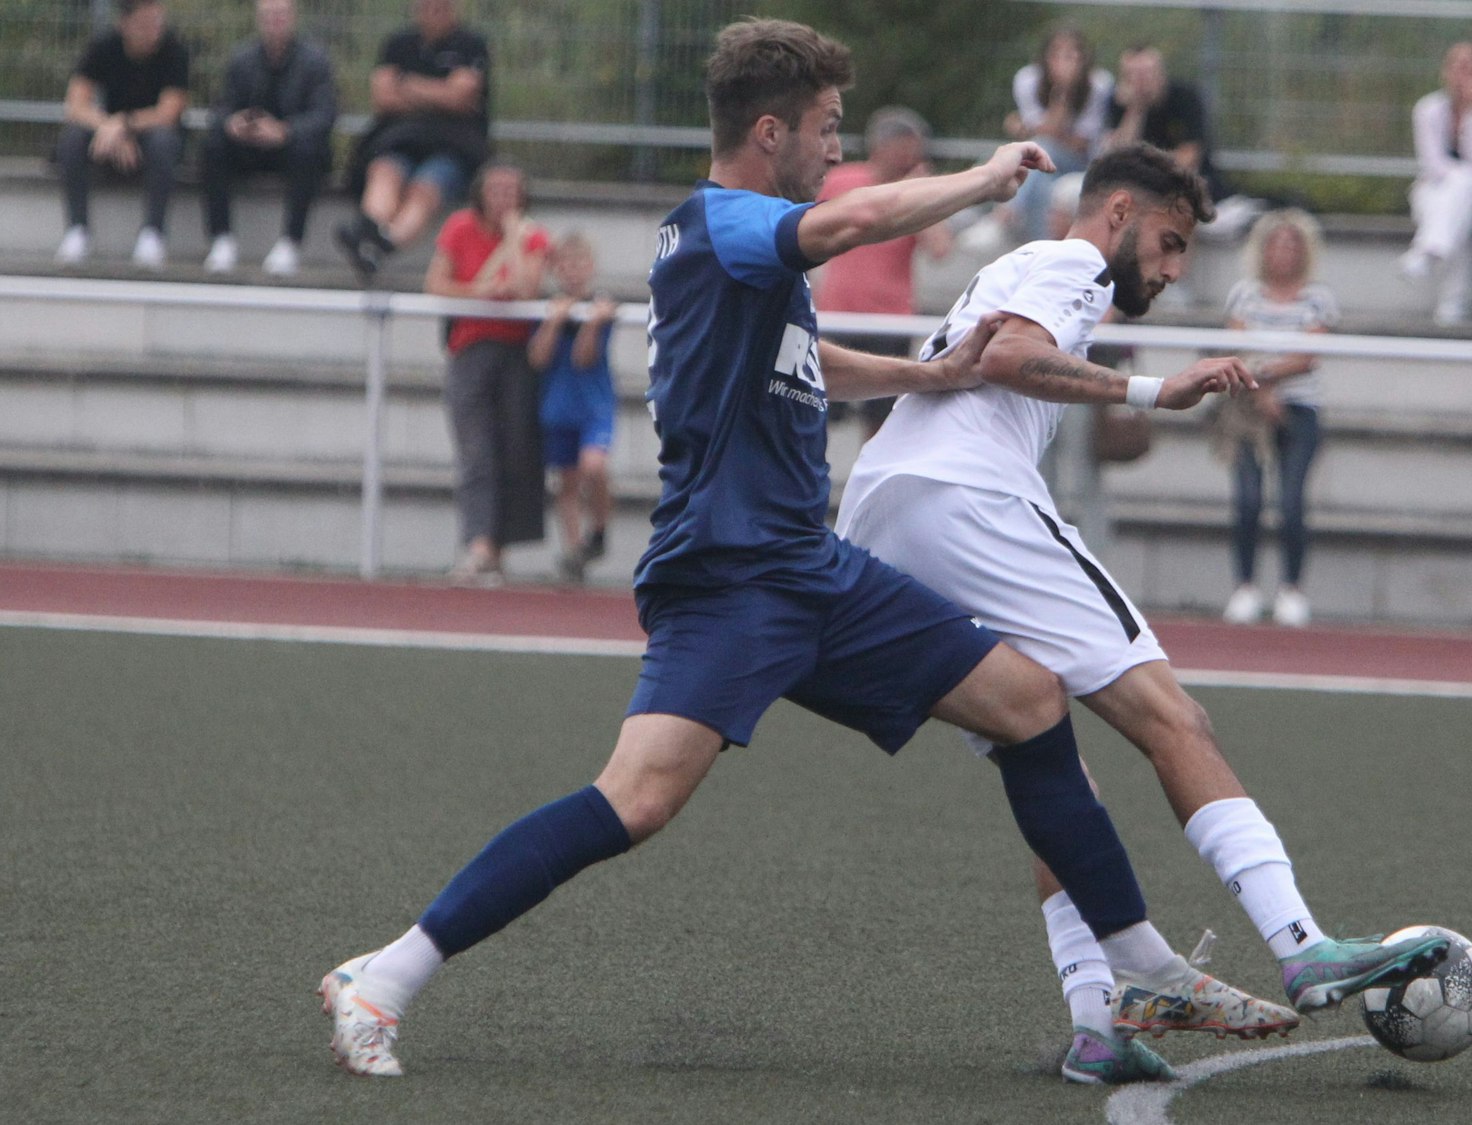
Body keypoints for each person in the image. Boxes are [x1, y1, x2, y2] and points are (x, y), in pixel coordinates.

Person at [319, 19, 1275, 1088]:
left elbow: (803, 357)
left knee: (1030, 702)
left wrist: (927, 378)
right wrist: (983, 179)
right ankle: (386, 975)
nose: (836, 149)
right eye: (825, 129)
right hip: (731, 575)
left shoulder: (741, 251)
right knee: (633, 802)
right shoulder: (725, 220)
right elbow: (854, 218)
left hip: (808, 569)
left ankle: (1137, 966)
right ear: (767, 132)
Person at [836, 147, 1448, 1045]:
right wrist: (1157, 390)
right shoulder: (1075, 260)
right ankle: (1301, 942)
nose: (1166, 271)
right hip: (968, 499)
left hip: (881, 514)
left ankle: (1097, 1010)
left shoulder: (1010, 267)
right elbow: (1011, 355)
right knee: (1174, 719)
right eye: (1166, 245)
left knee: (1044, 760)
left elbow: (1005, 352)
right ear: (1117, 213)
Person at [423, 162, 550, 586]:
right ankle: (478, 543)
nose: (503, 199)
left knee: (514, 449)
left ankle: (497, 548)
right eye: (496, 190)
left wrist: (513, 236)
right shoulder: (460, 228)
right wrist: (479, 292)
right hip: (471, 349)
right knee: (476, 449)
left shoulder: (532, 236)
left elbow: (525, 289)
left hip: (516, 352)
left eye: (512, 191)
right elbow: (436, 283)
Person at [1217, 210, 1338, 628]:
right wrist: (1260, 390)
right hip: (1249, 410)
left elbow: (1308, 357)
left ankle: (1291, 589)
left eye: (1292, 244)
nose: (1284, 252)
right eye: (1276, 243)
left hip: (1300, 409)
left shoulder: (1317, 298)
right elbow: (1236, 347)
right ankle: (1245, 586)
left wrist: (1265, 376)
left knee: (1291, 502)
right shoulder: (1245, 294)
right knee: (1247, 500)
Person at [814, 106, 954, 441]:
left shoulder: (914, 194)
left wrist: (922, 194)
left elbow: (940, 249)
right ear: (883, 146)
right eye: (907, 147)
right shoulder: (842, 181)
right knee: (814, 409)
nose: (914, 155)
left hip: (890, 319)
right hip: (838, 315)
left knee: (880, 418)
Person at [337, 0, 491, 281]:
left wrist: (407, 85)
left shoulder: (471, 44)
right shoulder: (398, 43)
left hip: (453, 144)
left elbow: (460, 96)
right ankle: (370, 231)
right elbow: (383, 96)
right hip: (401, 138)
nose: (433, 9)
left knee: (426, 186)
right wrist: (440, 91)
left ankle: (384, 243)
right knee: (383, 171)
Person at [200, 0, 338, 278]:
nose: (276, 22)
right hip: (251, 147)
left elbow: (324, 115)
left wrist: (284, 131)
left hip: (292, 148)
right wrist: (234, 123)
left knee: (308, 150)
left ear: (293, 18)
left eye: (281, 15)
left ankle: (290, 243)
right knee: (212, 147)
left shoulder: (315, 61)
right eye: (269, 15)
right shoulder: (242, 58)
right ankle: (222, 239)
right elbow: (220, 108)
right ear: (258, 19)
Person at [53, 0, 190, 270]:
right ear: (125, 25)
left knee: (165, 141)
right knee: (71, 140)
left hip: (149, 134)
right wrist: (108, 126)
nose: (154, 30)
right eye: (145, 24)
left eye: (157, 22)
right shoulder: (103, 46)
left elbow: (169, 112)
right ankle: (77, 230)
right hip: (110, 136)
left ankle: (153, 234)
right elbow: (75, 105)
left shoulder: (175, 50)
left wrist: (123, 125)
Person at [1401, 42, 1472, 326]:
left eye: (1469, 68)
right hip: (1435, 189)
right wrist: (1457, 177)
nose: (1462, 75)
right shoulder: (1427, 109)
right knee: (1457, 203)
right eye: (1456, 67)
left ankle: (1427, 252)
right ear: (1445, 72)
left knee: (1464, 187)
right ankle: (1452, 303)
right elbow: (1432, 162)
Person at [528, 231, 619, 582]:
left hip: (593, 406)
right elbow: (537, 358)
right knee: (565, 481)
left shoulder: (600, 308)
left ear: (591, 267)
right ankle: (574, 549)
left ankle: (598, 530)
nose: (572, 271)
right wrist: (553, 323)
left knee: (594, 467)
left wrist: (590, 325)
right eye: (565, 265)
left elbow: (585, 359)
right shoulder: (547, 308)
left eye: (579, 264)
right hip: (558, 407)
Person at [1004, 26, 1115, 243]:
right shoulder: (1028, 79)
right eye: (1057, 54)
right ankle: (1043, 246)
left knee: (1041, 148)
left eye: (1072, 54)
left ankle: (1008, 211)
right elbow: (1038, 132)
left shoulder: (1099, 83)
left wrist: (1065, 91)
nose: (1064, 62)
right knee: (1044, 184)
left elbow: (1079, 143)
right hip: (1044, 163)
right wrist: (1059, 98)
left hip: (1080, 162)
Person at [1105, 45, 1228, 208]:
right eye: (1132, 75)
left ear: (1161, 73)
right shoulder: (1119, 103)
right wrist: (1135, 110)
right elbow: (1118, 156)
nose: (1140, 82)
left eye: (1146, 73)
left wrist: (1140, 164)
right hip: (1135, 188)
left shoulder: (1185, 98)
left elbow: (1189, 158)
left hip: (1186, 185)